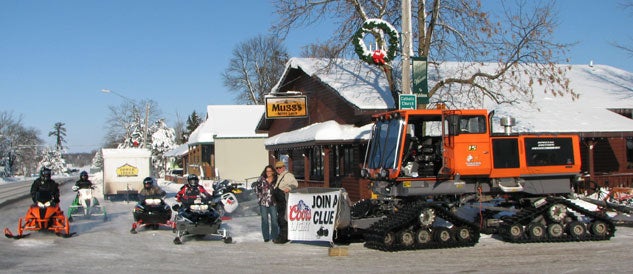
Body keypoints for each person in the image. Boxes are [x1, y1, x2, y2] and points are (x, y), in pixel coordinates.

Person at [272, 161, 298, 244]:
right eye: (277, 168)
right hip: (279, 201)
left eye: (280, 167)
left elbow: (295, 184)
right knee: (280, 219)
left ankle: (284, 237)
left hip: (284, 200)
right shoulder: (279, 176)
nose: (279, 169)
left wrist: (289, 188)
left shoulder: (288, 175)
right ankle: (283, 236)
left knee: (283, 219)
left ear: (284, 167)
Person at [254, 165, 279, 242]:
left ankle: (274, 236)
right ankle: (266, 237)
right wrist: (260, 197)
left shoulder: (276, 179)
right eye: (267, 171)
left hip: (273, 202)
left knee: (274, 219)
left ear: (273, 172)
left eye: (270, 171)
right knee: (264, 220)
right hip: (263, 202)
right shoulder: (261, 179)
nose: (268, 173)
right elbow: (256, 189)